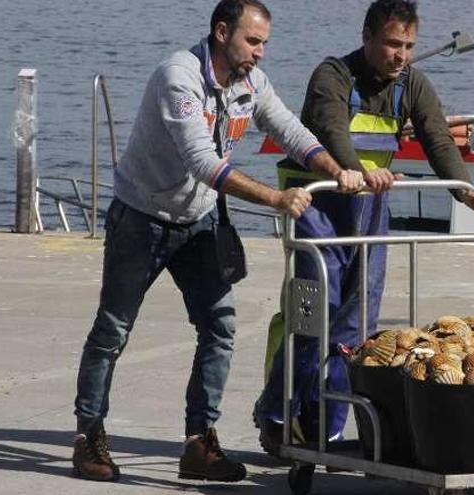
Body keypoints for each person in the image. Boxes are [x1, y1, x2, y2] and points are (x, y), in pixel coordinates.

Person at [71, 0, 362, 483]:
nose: (260, 52)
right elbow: (202, 161)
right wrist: (275, 197)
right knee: (113, 330)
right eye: (253, 41)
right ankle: (88, 437)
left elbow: (289, 129)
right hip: (141, 217)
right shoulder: (178, 78)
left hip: (198, 220)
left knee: (220, 325)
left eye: (265, 42)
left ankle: (198, 441)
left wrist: (337, 170)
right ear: (222, 32)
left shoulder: (250, 82)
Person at [253, 0, 474, 455]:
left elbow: (437, 138)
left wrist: (466, 191)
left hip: (369, 209)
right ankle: (279, 413)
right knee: (314, 316)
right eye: (391, 44)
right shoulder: (333, 75)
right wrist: (354, 170)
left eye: (408, 46)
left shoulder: (412, 85)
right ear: (367, 37)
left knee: (358, 324)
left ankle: (328, 422)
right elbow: (331, 129)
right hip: (317, 204)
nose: (400, 55)